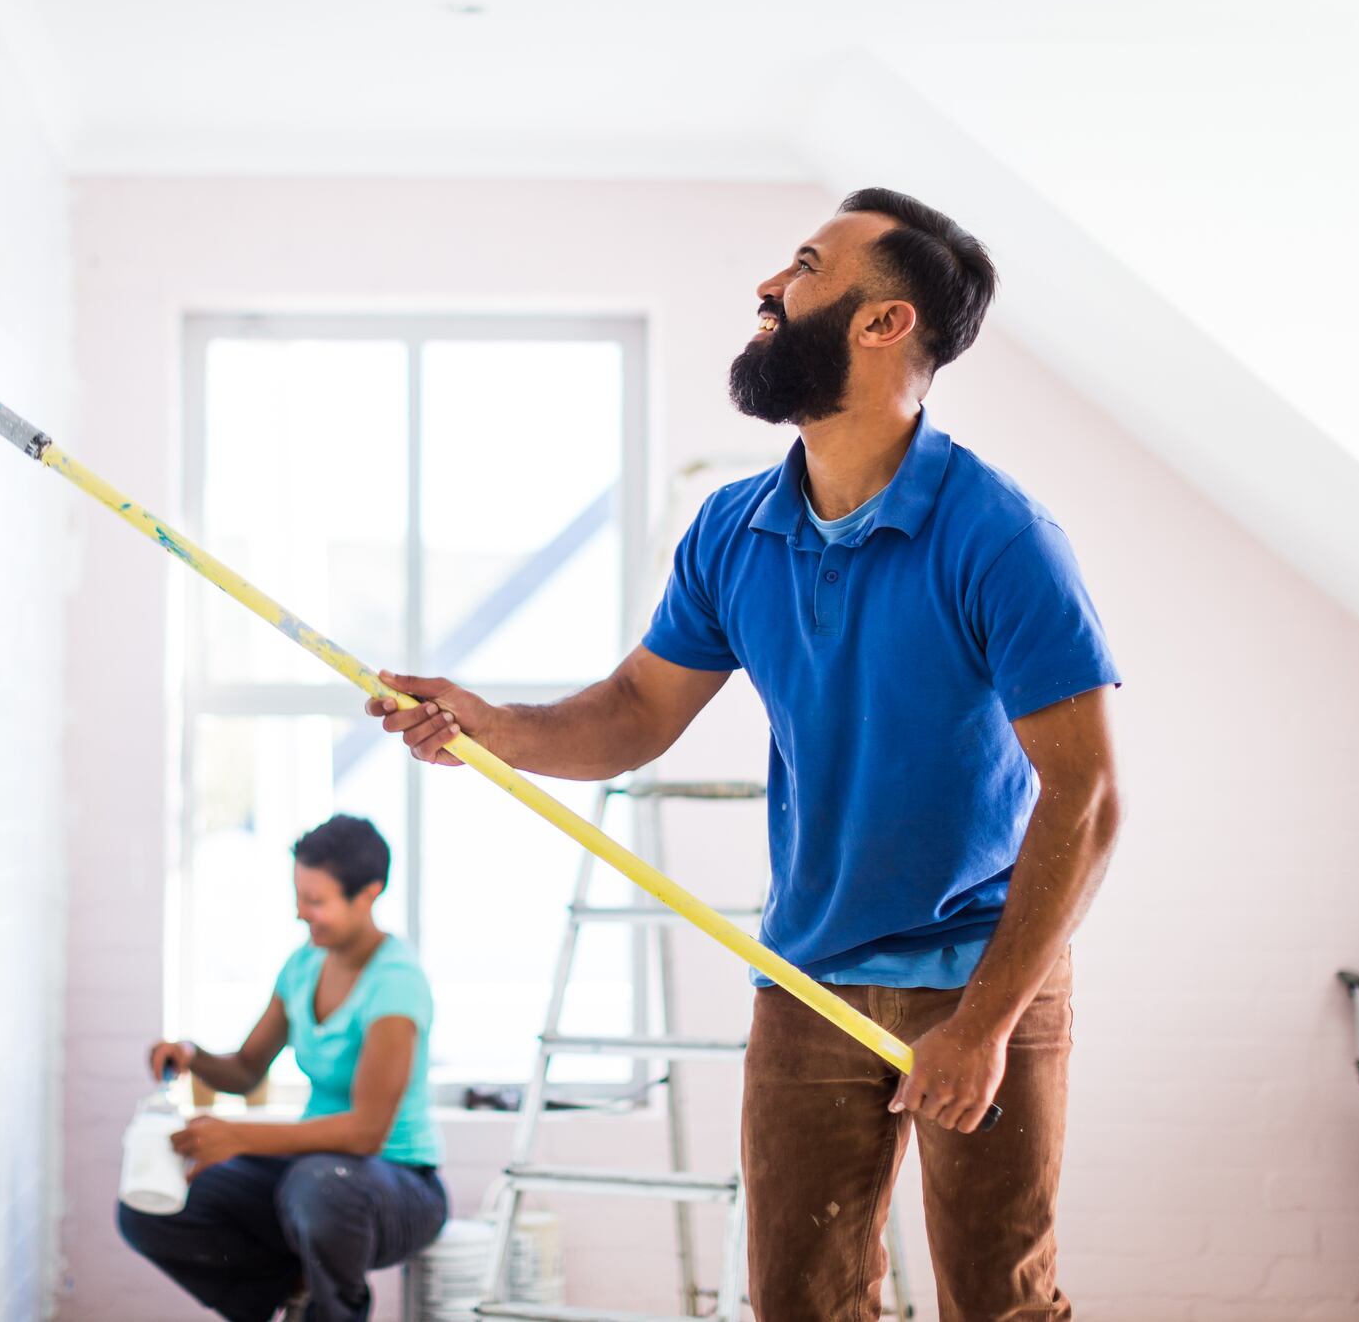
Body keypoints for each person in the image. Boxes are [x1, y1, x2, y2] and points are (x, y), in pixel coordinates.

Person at [367, 188, 1123, 1320]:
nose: (769, 287)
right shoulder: (733, 529)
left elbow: (1088, 795)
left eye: (806, 268)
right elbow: (635, 710)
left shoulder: (999, 537)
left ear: (884, 323)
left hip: (980, 970)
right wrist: (491, 727)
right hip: (810, 970)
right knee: (799, 1302)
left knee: (999, 1303)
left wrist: (985, 1024)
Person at [118, 814, 447, 1322]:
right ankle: (292, 1291)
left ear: (368, 894)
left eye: (316, 901)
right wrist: (192, 1055)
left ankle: (333, 1311)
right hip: (312, 1176)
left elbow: (366, 1133)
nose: (300, 913)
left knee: (320, 1184)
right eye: (299, 896)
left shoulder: (395, 984)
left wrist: (239, 1137)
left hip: (399, 1185)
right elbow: (247, 1069)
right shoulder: (303, 966)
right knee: (155, 1203)